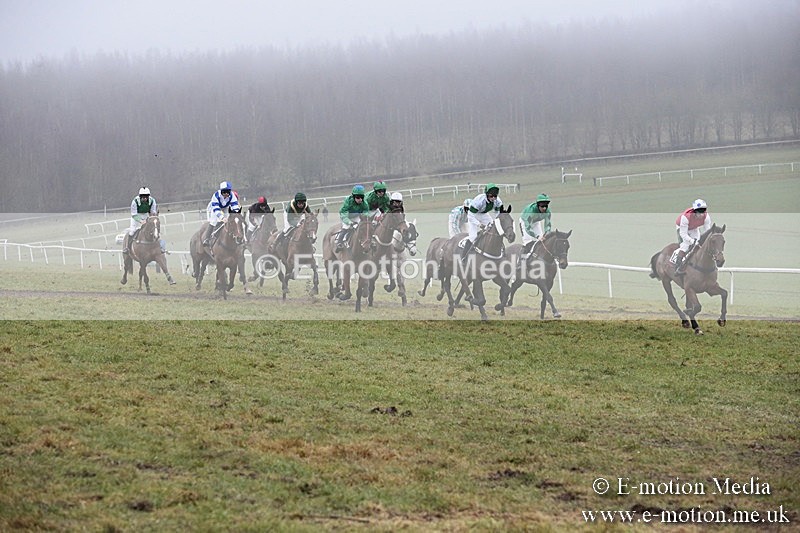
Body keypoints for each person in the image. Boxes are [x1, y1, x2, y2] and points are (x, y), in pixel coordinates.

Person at [461, 183, 503, 261]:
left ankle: (500, 250)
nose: (493, 198)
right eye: (491, 196)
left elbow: (497, 214)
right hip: (473, 215)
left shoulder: (498, 201)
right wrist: (479, 225)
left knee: (495, 230)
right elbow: (470, 215)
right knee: (473, 236)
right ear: (486, 195)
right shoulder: (479, 201)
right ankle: (464, 257)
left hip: (484, 215)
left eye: (495, 196)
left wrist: (495, 222)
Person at [673, 198, 713, 275]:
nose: (702, 214)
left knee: (697, 245)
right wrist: (691, 241)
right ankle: (678, 268)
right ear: (694, 211)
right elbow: (683, 234)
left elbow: (707, 232)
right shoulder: (686, 217)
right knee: (685, 246)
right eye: (699, 212)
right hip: (682, 228)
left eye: (703, 211)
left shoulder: (706, 217)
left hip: (694, 228)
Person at [202, 180, 241, 247]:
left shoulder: (232, 195)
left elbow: (235, 205)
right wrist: (221, 217)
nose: (226, 194)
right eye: (224, 191)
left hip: (225, 207)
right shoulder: (216, 195)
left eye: (228, 191)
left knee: (230, 219)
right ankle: (207, 239)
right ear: (221, 191)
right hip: (214, 208)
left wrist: (236, 214)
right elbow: (216, 209)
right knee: (213, 222)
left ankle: (232, 235)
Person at [123, 187, 158, 253]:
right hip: (136, 215)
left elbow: (153, 211)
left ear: (148, 196)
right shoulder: (135, 201)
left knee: (153, 229)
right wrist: (141, 221)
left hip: (146, 215)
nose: (145, 198)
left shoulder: (152, 201)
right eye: (143, 196)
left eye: (146, 196)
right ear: (140, 196)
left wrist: (152, 217)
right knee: (132, 231)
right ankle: (127, 248)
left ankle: (157, 246)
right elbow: (134, 214)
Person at [335, 185, 370, 251]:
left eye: (362, 197)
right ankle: (339, 243)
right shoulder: (348, 201)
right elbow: (343, 214)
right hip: (346, 216)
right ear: (353, 196)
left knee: (364, 226)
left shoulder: (364, 202)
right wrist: (350, 222)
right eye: (358, 197)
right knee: (346, 227)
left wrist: (364, 215)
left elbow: (366, 211)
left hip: (357, 216)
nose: (360, 199)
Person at [519, 193, 552, 260]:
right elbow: (528, 228)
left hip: (536, 222)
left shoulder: (548, 212)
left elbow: (547, 225)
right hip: (525, 222)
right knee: (528, 242)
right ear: (538, 205)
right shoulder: (531, 211)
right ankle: (520, 261)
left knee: (541, 241)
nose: (544, 208)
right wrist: (537, 236)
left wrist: (547, 234)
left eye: (546, 206)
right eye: (542, 206)